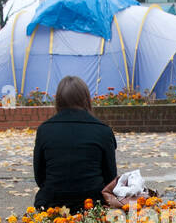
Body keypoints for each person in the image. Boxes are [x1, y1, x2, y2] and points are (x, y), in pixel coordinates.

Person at [32, 75, 118, 213]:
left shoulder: (44, 130)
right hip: (92, 204)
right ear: (86, 99)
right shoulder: (103, 130)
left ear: (58, 100)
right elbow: (110, 178)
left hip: (52, 204)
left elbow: (40, 176)